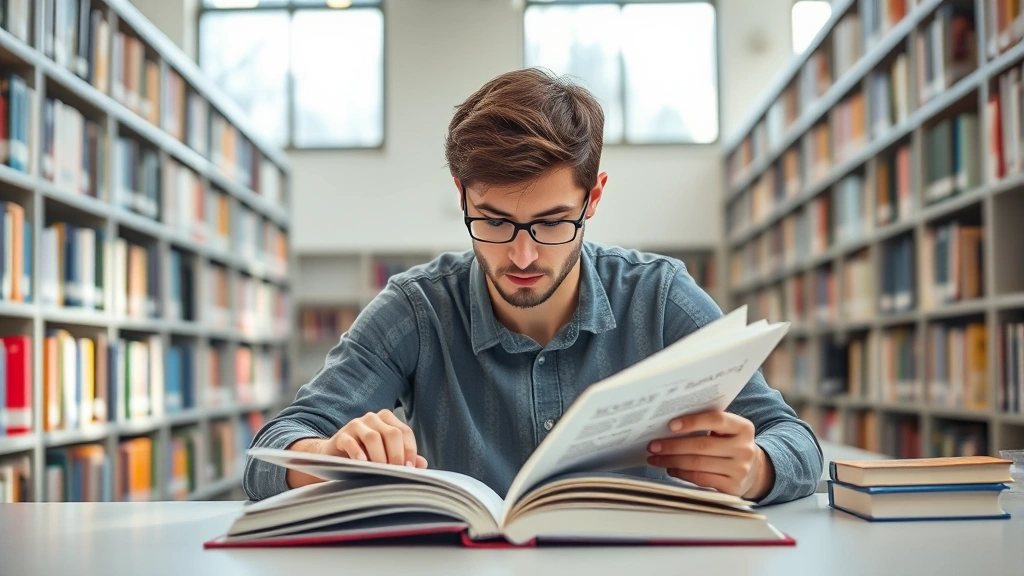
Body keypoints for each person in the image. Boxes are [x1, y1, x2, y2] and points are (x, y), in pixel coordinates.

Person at [243, 67, 823, 504]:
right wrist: (327, 455)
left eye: (552, 222)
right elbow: (269, 452)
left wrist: (756, 469)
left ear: (593, 197)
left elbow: (795, 440)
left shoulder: (661, 297)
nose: (522, 255)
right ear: (462, 194)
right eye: (493, 221)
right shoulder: (417, 308)